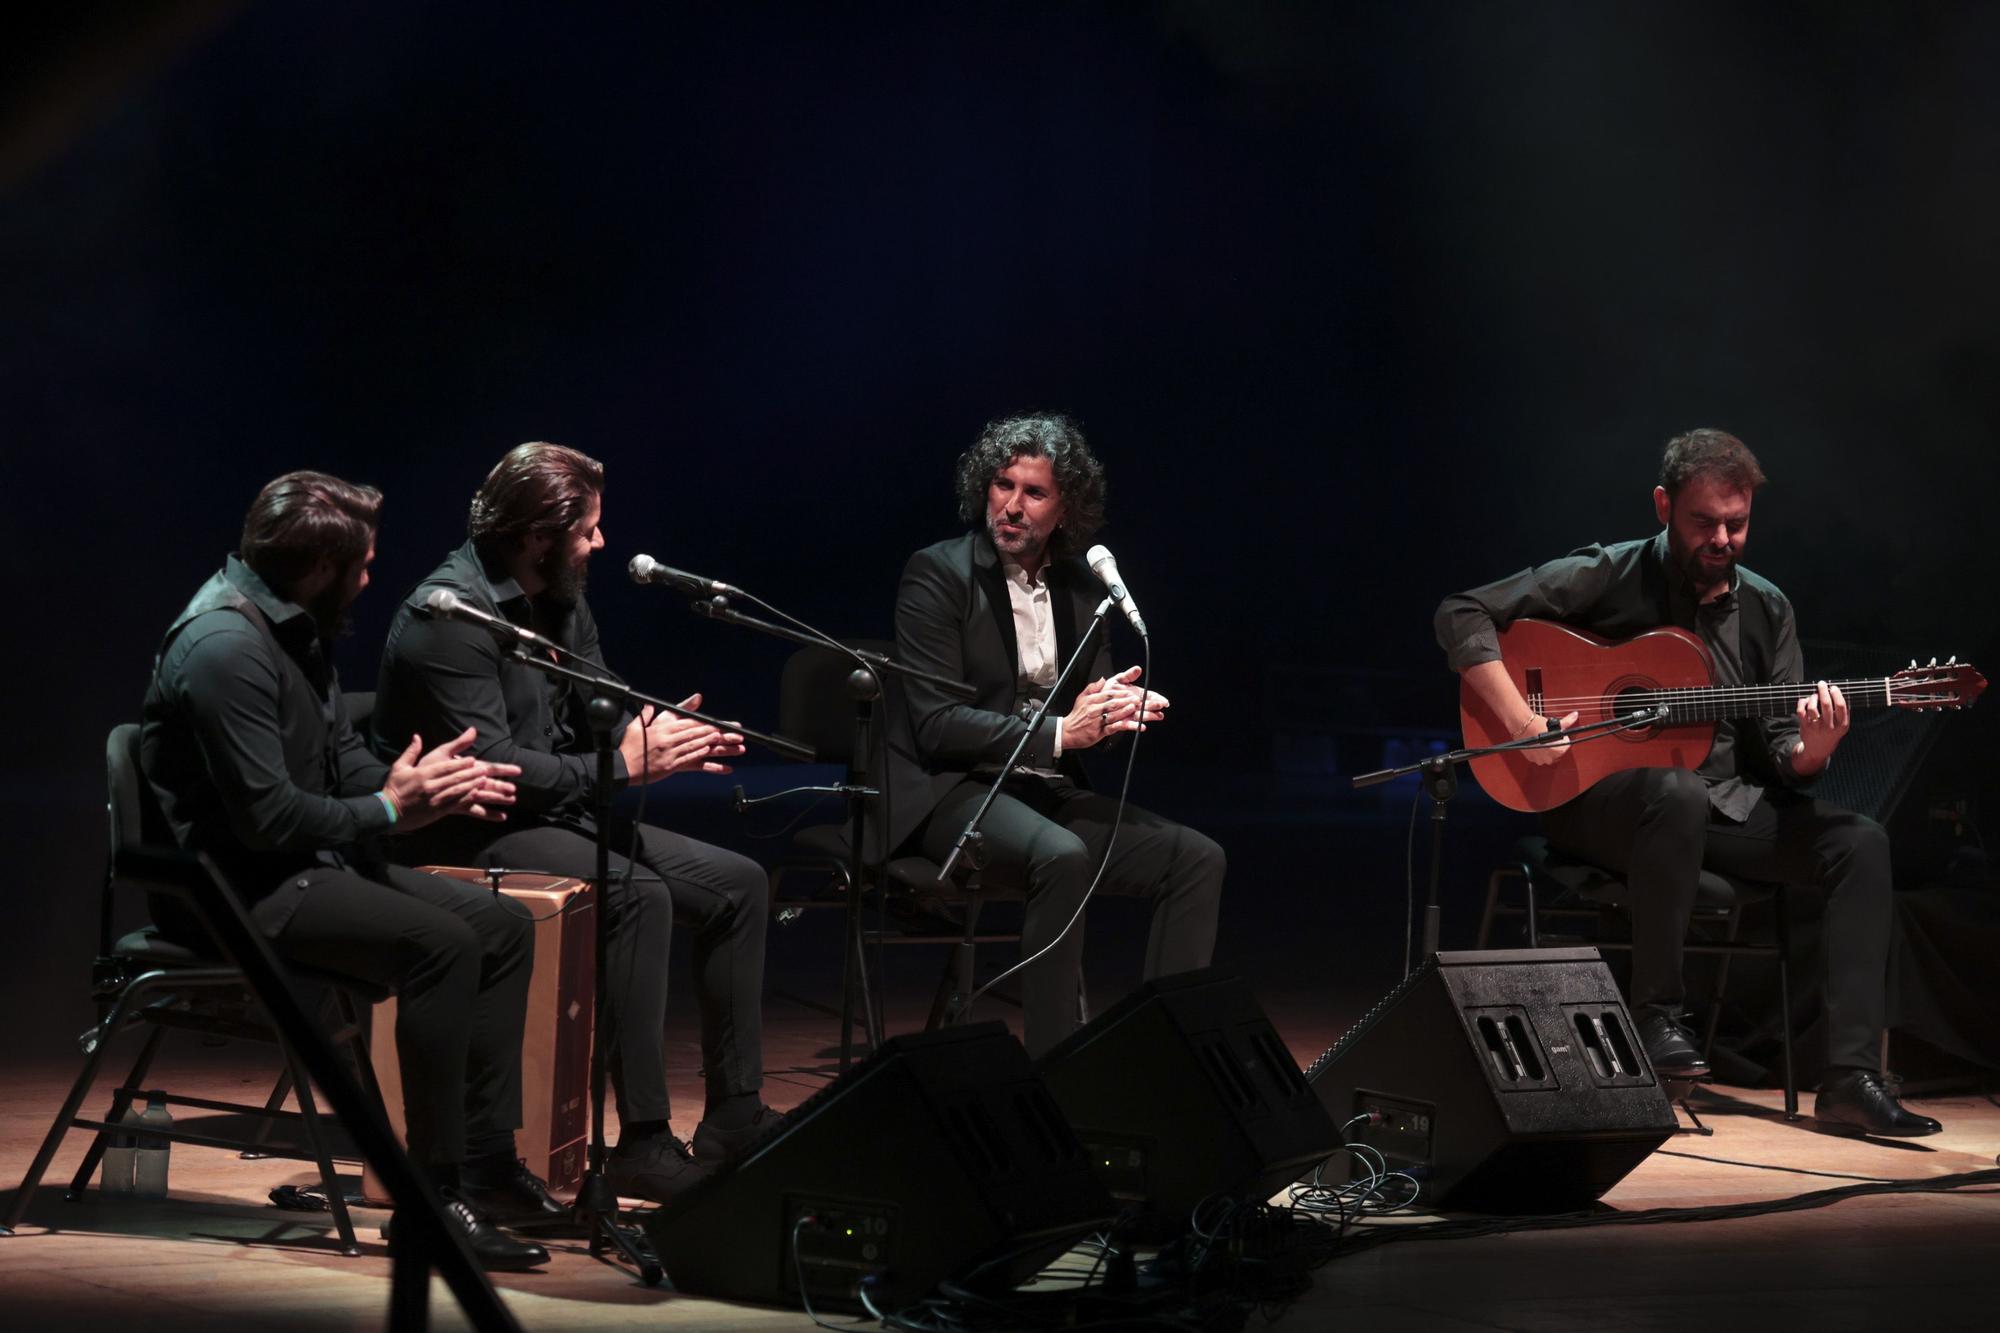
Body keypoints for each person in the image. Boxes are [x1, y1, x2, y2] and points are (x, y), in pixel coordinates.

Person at [1435, 428, 1940, 1136]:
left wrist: (1815, 750)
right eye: (1705, 521)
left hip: (1722, 808)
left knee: (1859, 842)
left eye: (1738, 523)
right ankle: (1657, 1024)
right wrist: (1520, 719)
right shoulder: (1609, 572)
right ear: (1663, 504)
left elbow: (1781, 748)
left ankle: (1850, 1076)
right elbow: (1461, 612)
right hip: (1596, 802)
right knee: (1674, 789)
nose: (1724, 538)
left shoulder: (1768, 609)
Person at [140, 471, 562, 1271]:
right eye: (363, 564)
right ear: (321, 568)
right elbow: (270, 821)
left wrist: (421, 782)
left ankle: (487, 1164)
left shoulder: (295, 628)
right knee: (442, 944)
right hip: (233, 891)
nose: (372, 577)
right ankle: (428, 1201)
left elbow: (337, 763)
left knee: (502, 927)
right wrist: (395, 811)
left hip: (299, 865)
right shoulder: (225, 648)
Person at [370, 442, 778, 1205]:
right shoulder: (447, 617)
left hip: (554, 808)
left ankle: (734, 1114)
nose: (600, 543)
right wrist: (625, 766)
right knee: (635, 893)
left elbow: (600, 696)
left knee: (740, 883)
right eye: (588, 529)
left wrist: (658, 735)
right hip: (464, 825)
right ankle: (645, 1141)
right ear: (536, 535)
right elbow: (493, 771)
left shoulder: (560, 593)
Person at [885, 412, 1226, 1058]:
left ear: (1065, 507)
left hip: (1042, 790)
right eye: (1002, 484)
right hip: (952, 788)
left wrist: (1113, 711)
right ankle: (1057, 1067)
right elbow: (935, 724)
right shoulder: (937, 574)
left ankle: (1169, 1059)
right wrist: (1063, 731)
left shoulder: (1079, 587)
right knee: (1061, 855)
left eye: (1033, 492)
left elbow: (1083, 720)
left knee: (1196, 858)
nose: (1011, 506)